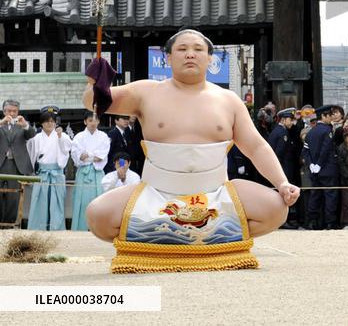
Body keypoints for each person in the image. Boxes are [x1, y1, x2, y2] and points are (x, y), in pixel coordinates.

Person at [84, 29, 299, 273]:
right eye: (182, 49)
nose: (190, 55)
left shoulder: (228, 100)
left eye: (198, 50)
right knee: (97, 215)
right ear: (167, 58)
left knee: (276, 208)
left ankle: (207, 240)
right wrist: (95, 81)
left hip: (215, 193)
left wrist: (281, 183)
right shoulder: (146, 92)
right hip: (156, 192)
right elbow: (94, 102)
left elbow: (256, 146)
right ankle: (179, 242)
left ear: (209, 58)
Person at [27, 106, 72, 231]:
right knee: (40, 202)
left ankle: (56, 230)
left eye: (52, 121)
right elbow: (30, 154)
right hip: (42, 173)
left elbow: (67, 148)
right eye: (47, 121)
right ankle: (38, 229)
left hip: (56, 173)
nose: (50, 123)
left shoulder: (62, 135)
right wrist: (30, 172)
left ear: (56, 122)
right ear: (41, 123)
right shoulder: (36, 138)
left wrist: (60, 136)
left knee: (56, 204)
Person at [70, 110, 110, 230]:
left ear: (99, 121)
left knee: (99, 201)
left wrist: (87, 155)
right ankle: (80, 228)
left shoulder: (104, 136)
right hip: (83, 172)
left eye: (95, 120)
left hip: (98, 172)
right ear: (85, 122)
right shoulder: (78, 137)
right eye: (90, 120)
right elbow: (78, 155)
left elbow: (101, 156)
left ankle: (99, 229)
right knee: (82, 202)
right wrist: (91, 156)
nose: (93, 123)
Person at [0, 98, 36, 224]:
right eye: (9, 110)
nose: (12, 113)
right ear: (4, 111)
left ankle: (9, 224)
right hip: (1, 164)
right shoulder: (1, 123)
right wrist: (1, 122)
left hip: (16, 165)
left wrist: (25, 125)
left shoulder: (22, 124)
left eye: (15, 111)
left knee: (13, 197)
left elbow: (32, 134)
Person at [305, 105, 340, 230]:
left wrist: (311, 165)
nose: (331, 118)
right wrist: (319, 164)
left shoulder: (310, 132)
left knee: (315, 195)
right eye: (330, 115)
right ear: (324, 116)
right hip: (327, 169)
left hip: (314, 170)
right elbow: (325, 149)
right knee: (330, 196)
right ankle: (330, 223)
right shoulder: (327, 130)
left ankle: (312, 222)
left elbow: (306, 151)